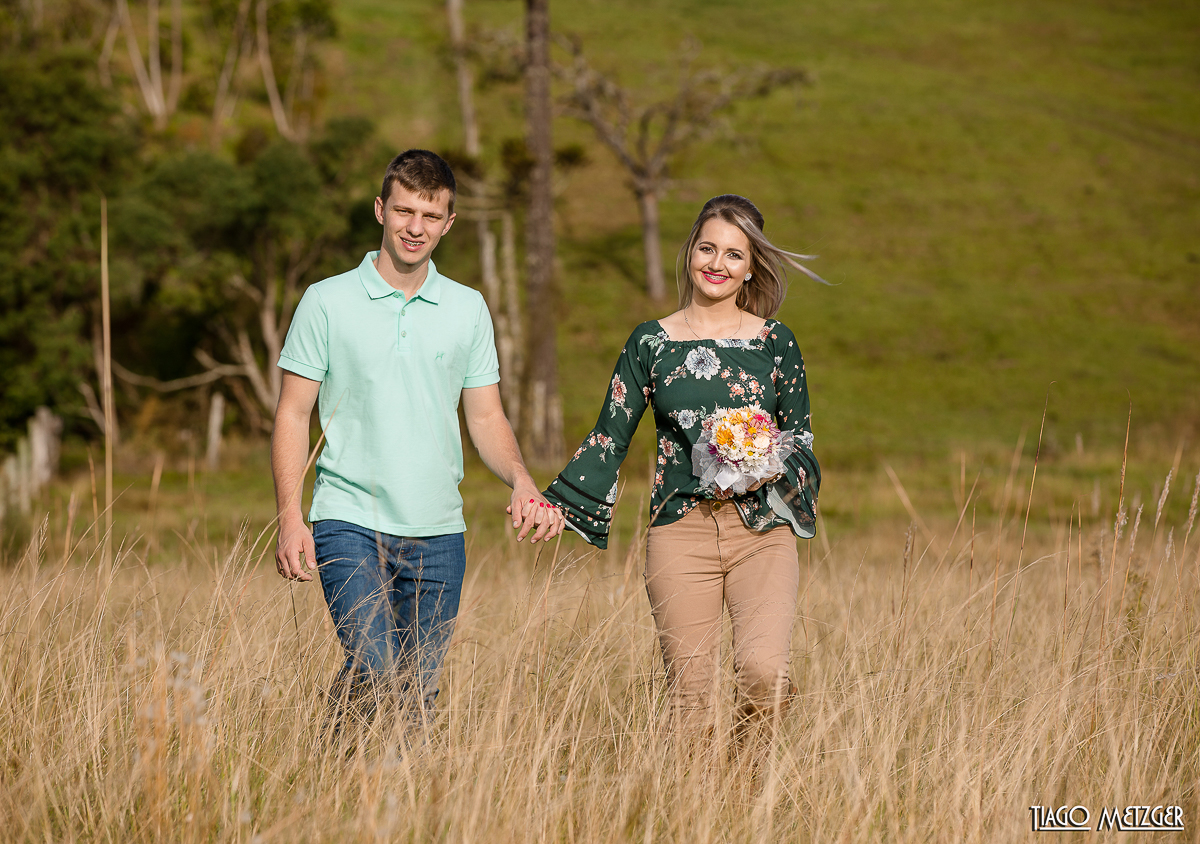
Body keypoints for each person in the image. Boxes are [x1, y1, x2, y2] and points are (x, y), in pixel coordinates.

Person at [271, 149, 563, 738]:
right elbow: (293, 414)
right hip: (348, 520)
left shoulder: (467, 308)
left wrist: (522, 480)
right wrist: (290, 517)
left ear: (448, 223)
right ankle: (345, 764)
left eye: (430, 216)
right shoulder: (326, 301)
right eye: (404, 211)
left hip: (439, 532)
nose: (415, 227)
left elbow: (486, 416)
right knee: (376, 667)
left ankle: (356, 774)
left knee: (416, 691)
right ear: (381, 209)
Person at [544, 194, 821, 741]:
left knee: (764, 674)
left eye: (734, 255)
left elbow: (802, 443)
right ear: (691, 251)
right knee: (691, 700)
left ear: (751, 268)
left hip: (761, 533)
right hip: (679, 532)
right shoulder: (651, 342)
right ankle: (699, 795)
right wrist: (557, 505)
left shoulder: (776, 343)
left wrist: (763, 460)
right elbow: (609, 434)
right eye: (707, 248)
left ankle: (748, 784)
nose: (717, 264)